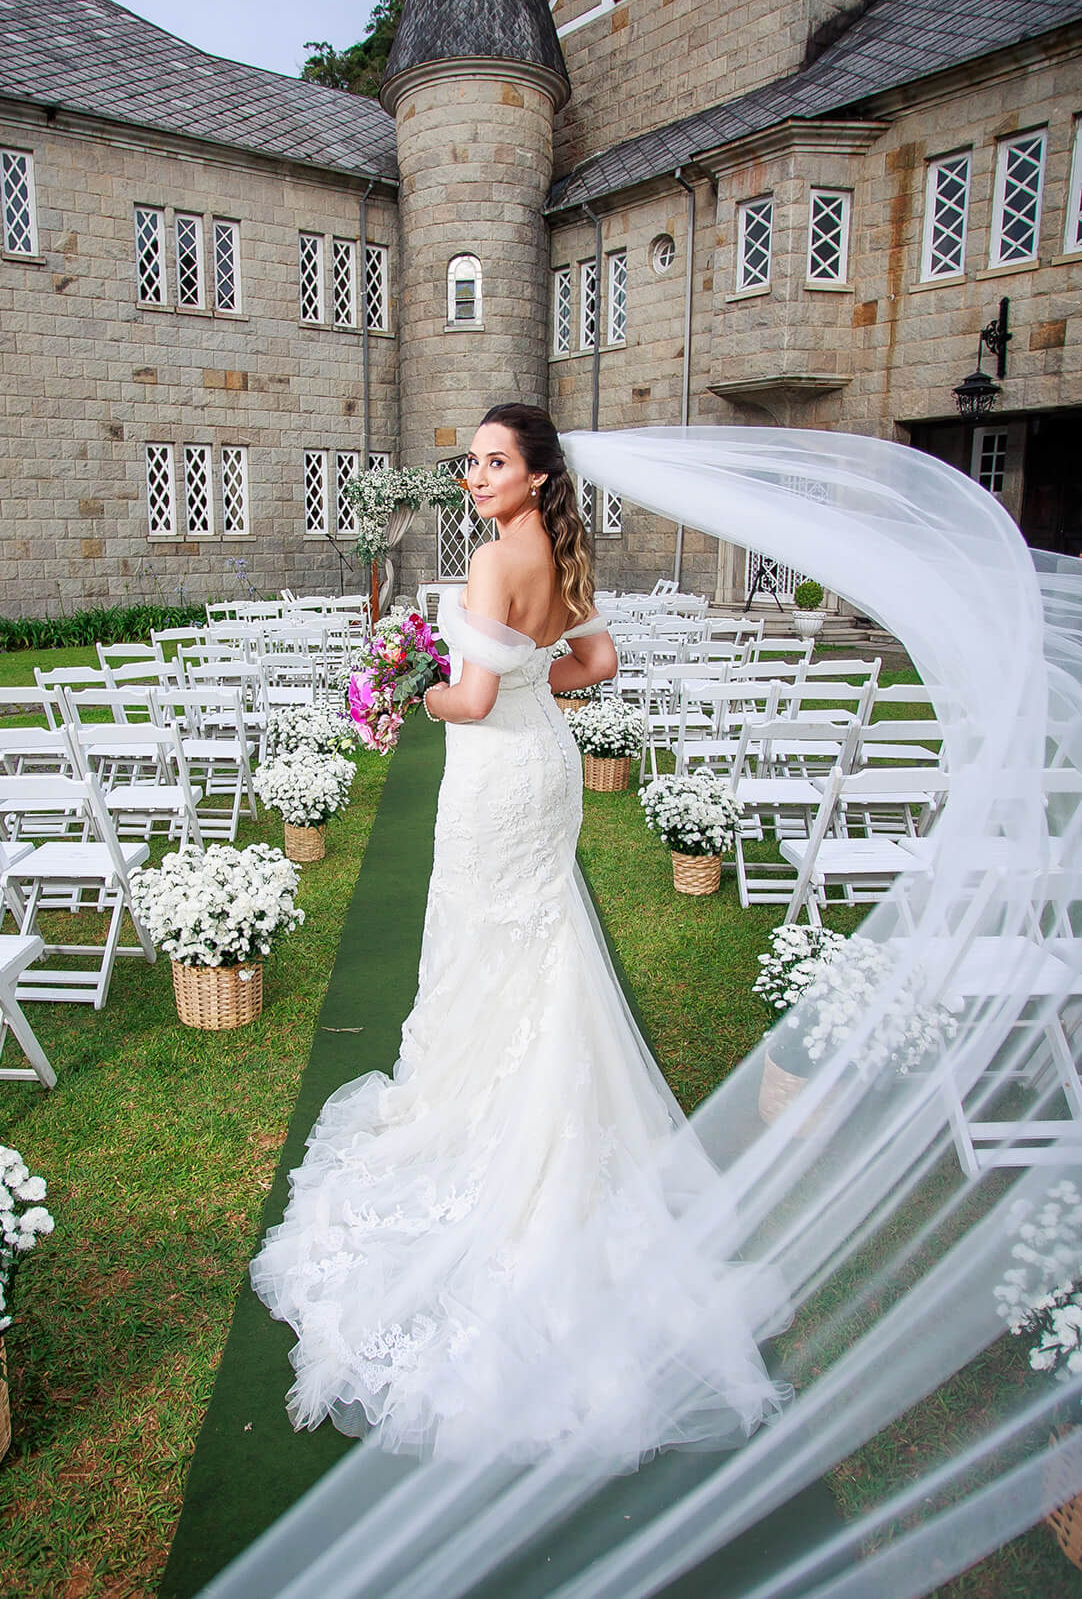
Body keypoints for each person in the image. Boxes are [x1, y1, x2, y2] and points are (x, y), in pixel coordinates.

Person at [250, 403, 787, 1466]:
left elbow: (475, 697)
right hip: (546, 768)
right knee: (538, 939)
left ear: (537, 474)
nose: (476, 476)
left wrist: (414, 689)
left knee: (480, 939)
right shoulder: (563, 553)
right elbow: (598, 663)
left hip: (497, 775)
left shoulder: (498, 558)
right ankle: (545, 1113)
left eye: (495, 462)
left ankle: (486, 1121)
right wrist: (522, 679)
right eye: (470, 461)